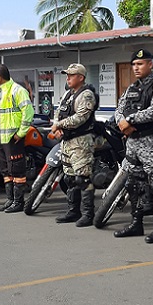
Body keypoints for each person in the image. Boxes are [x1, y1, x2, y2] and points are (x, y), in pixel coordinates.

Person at [113, 49, 153, 243]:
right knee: (132, 183)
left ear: (149, 65)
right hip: (132, 143)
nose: (136, 68)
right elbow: (118, 110)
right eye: (134, 65)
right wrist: (121, 122)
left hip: (150, 143)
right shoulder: (131, 89)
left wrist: (129, 120)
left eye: (140, 64)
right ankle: (136, 223)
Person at [51, 63, 98, 227]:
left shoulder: (86, 95)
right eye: (67, 75)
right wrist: (57, 126)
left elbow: (80, 118)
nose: (68, 78)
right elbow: (58, 112)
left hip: (81, 142)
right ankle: (73, 211)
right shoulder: (67, 94)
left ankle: (88, 214)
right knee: (70, 178)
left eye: (71, 75)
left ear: (81, 77)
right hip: (66, 141)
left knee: (83, 178)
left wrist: (60, 125)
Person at [0, 64, 34, 213]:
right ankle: (10, 199)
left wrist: (20, 133)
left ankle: (18, 202)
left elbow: (28, 112)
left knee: (17, 169)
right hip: (2, 136)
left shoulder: (17, 90)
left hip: (13, 137)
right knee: (5, 169)